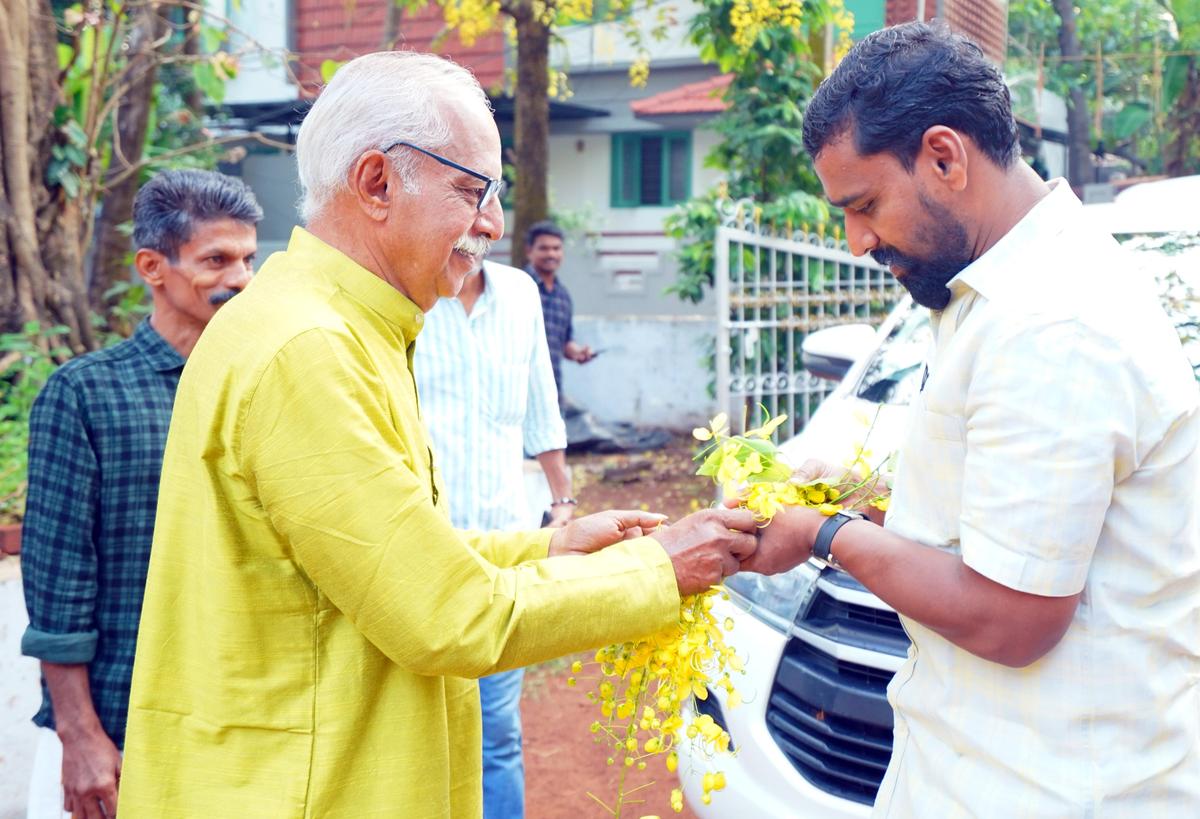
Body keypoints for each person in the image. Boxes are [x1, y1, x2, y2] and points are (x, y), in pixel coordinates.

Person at [117, 51, 759, 818]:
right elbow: (444, 615)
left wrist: (546, 547)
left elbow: (381, 559)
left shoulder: (332, 325)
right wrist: (660, 568)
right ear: (377, 183)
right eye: (471, 189)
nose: (492, 221)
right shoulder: (309, 350)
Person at [747, 22, 1200, 816]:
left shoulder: (1054, 321)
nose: (856, 242)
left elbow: (1013, 617)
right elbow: (999, 523)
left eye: (864, 206)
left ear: (945, 158)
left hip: (1050, 790)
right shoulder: (987, 294)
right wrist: (861, 503)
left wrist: (821, 535)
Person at [19, 169, 261, 819]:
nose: (239, 279)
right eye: (216, 260)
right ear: (153, 266)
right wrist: (81, 737)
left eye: (247, 259)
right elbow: (58, 591)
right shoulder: (86, 394)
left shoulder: (264, 392)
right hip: (116, 735)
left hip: (242, 726)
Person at [414, 257, 573, 819]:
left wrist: (563, 500)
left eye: (490, 201)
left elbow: (540, 403)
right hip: (422, 550)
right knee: (418, 726)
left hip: (508, 546)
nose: (484, 221)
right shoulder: (406, 294)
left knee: (497, 727)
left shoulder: (521, 293)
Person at [524, 221, 594, 407]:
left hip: (551, 390)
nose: (551, 254)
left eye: (556, 248)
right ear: (529, 251)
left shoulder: (563, 296)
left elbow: (563, 343)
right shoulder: (516, 287)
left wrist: (577, 352)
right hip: (518, 391)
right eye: (544, 248)